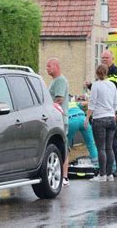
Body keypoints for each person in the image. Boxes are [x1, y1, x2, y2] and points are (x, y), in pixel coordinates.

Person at [85, 50, 117, 177]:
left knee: (116, 141)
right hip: (108, 114)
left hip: (112, 114)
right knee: (108, 146)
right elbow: (102, 91)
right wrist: (91, 86)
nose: (104, 59)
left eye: (106, 58)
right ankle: (109, 171)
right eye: (102, 58)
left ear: (112, 58)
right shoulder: (104, 75)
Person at [85, 64, 117, 182]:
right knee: (110, 148)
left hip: (99, 119)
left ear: (97, 73)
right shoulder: (112, 85)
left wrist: (87, 117)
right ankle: (110, 174)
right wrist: (113, 113)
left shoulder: (96, 86)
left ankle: (102, 175)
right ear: (106, 72)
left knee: (101, 149)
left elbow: (92, 103)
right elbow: (116, 102)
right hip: (111, 118)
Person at [46, 58, 70, 187]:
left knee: (62, 148)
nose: (47, 68)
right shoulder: (55, 81)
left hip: (61, 118)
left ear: (56, 66)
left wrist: (46, 106)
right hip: (58, 118)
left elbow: (59, 99)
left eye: (49, 66)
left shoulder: (60, 80)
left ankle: (64, 176)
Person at [67, 99, 98, 167]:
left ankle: (64, 164)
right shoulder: (73, 103)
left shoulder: (59, 104)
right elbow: (86, 103)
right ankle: (96, 166)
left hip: (71, 120)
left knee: (65, 144)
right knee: (91, 143)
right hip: (83, 119)